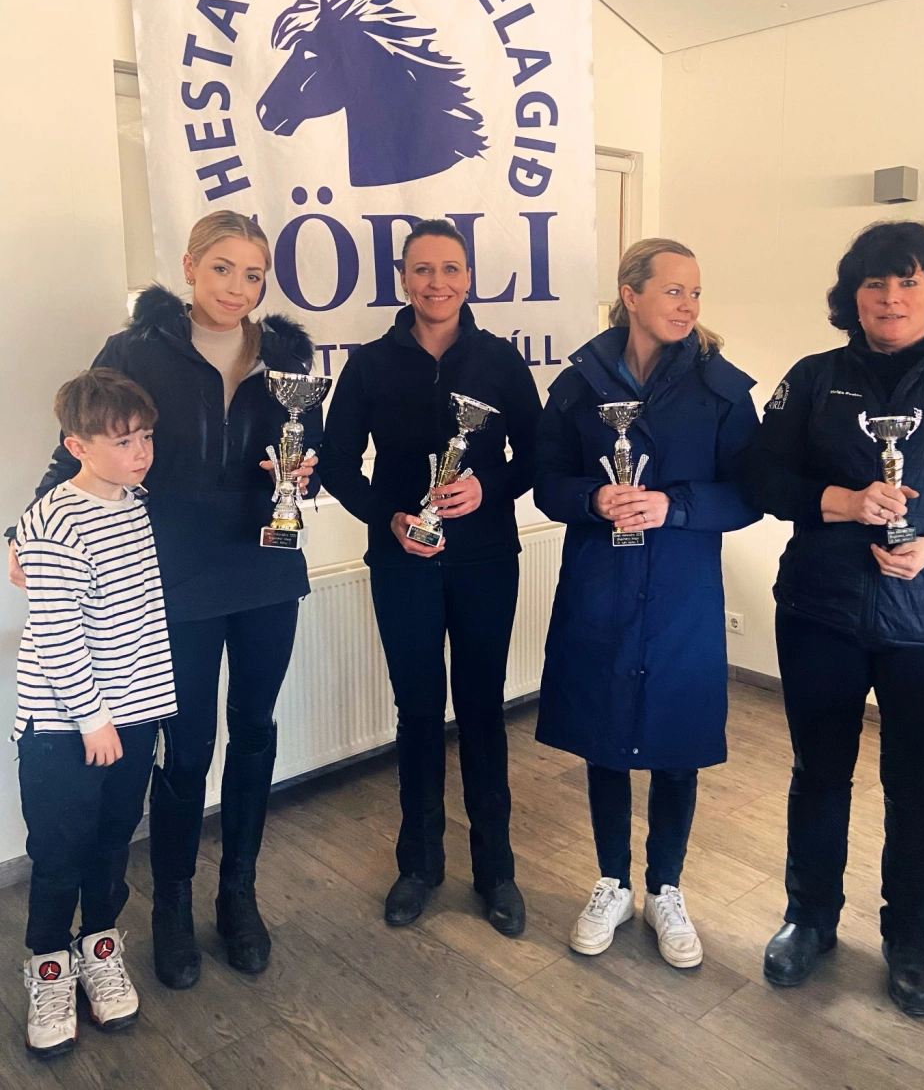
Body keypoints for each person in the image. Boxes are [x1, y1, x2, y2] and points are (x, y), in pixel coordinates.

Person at [8, 210, 320, 989]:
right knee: (185, 746)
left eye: (253, 274)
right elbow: (78, 442)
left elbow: (303, 453)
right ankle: (172, 906)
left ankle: (238, 892)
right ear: (189, 267)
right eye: (222, 268)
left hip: (265, 564)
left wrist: (300, 476)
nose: (237, 287)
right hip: (169, 572)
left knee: (256, 730)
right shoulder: (137, 348)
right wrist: (25, 530)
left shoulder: (287, 356)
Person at [745, 220, 924, 1018]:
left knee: (917, 785)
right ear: (854, 296)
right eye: (875, 282)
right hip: (822, 612)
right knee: (818, 771)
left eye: (909, 280)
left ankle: (909, 942)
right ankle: (809, 918)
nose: (891, 296)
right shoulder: (812, 378)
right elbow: (762, 475)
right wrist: (840, 500)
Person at [533, 237, 761, 968]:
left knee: (676, 738)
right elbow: (545, 480)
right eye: (673, 290)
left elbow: (754, 492)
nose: (687, 305)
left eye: (695, 293)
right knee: (603, 734)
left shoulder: (722, 388)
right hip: (600, 584)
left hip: (681, 592)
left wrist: (675, 506)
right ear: (630, 295)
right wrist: (591, 498)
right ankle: (611, 880)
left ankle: (665, 886)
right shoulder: (578, 384)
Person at [318, 218, 541, 936]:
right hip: (402, 562)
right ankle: (418, 864)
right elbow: (336, 463)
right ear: (403, 280)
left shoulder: (500, 360)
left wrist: (488, 487)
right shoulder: (370, 363)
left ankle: (496, 869)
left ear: (468, 278)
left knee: (481, 708)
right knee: (417, 710)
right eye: (422, 269)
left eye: (449, 269)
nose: (436, 282)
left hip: (485, 560)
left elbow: (538, 455)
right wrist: (386, 518)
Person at [14, 369, 176, 1059]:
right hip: (66, 729)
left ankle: (99, 948)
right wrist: (91, 718)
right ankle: (49, 968)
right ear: (76, 446)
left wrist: (130, 716)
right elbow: (56, 634)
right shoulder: (52, 521)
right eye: (123, 441)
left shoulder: (136, 504)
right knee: (60, 852)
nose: (140, 452)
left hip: (131, 717)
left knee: (113, 841)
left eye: (146, 437)